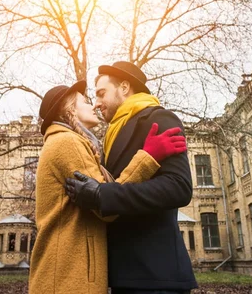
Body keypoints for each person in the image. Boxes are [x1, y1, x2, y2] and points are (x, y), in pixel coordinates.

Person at [29, 80, 187, 294]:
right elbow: (105, 206)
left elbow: (102, 193)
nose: (93, 105)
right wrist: (148, 156)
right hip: (69, 276)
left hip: (71, 273)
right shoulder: (67, 142)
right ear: (69, 110)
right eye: (85, 101)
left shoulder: (70, 141)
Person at [65, 61, 198, 294]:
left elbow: (179, 187)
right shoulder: (111, 133)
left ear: (124, 87)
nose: (96, 104)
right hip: (122, 273)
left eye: (101, 94)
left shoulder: (159, 119)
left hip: (155, 274)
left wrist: (102, 195)